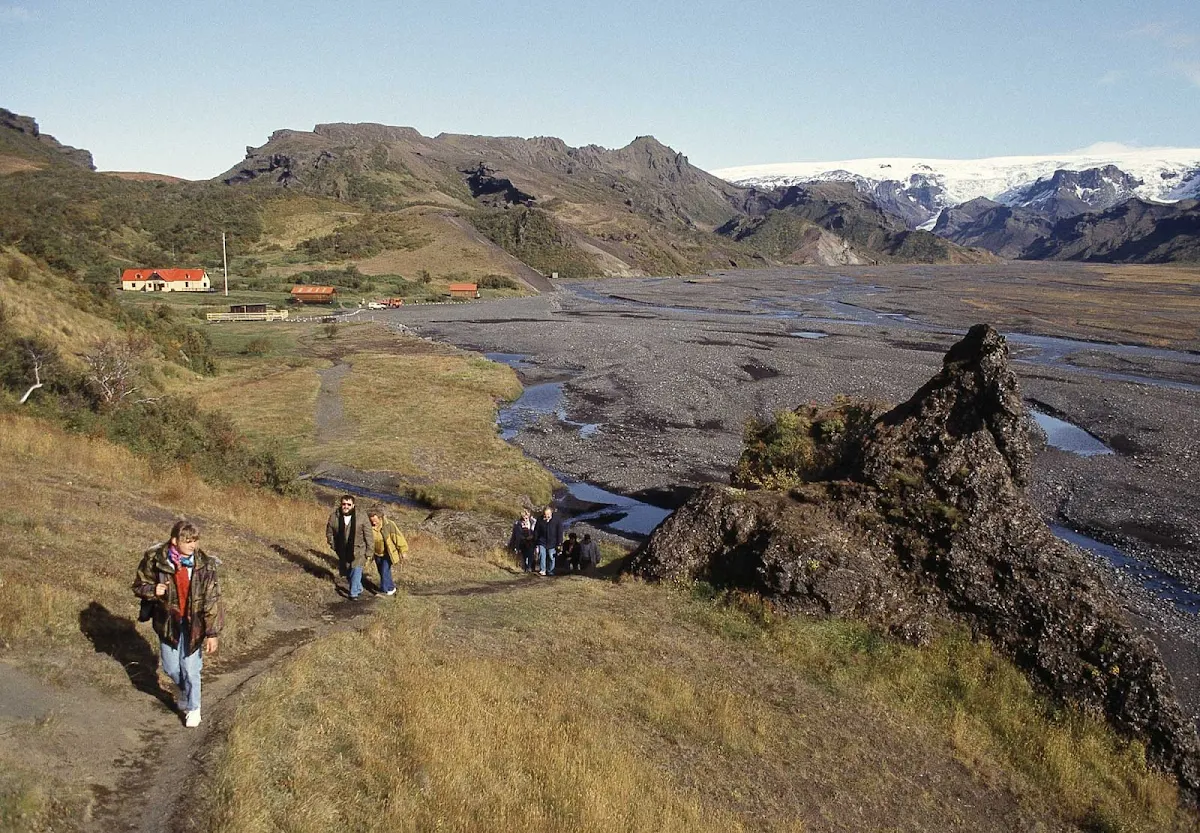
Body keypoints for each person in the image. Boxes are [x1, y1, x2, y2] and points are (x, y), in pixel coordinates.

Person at [132, 520, 223, 728]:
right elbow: (139, 585)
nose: (193, 545)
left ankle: (194, 708)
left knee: (191, 669)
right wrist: (153, 590)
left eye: (195, 541)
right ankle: (184, 690)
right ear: (175, 541)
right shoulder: (156, 560)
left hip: (195, 623)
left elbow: (212, 600)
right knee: (171, 667)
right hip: (167, 622)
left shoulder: (205, 565)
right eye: (188, 541)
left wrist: (211, 632)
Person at [325, 494, 372, 600]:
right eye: (344, 504)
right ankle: (358, 587)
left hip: (359, 549)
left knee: (356, 569)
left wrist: (369, 551)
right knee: (348, 572)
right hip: (342, 550)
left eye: (348, 504)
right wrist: (333, 544)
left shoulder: (361, 516)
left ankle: (353, 593)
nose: (346, 506)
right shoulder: (334, 516)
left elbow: (368, 534)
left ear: (353, 505)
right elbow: (329, 532)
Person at [366, 507, 408, 596]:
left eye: (375, 520)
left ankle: (384, 591)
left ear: (380, 518)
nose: (373, 523)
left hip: (388, 553)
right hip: (377, 553)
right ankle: (391, 588)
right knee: (381, 571)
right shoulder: (368, 526)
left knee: (385, 571)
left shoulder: (389, 525)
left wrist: (403, 550)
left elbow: (398, 537)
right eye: (371, 520)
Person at [535, 505, 563, 576]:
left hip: (553, 542)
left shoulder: (557, 520)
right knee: (542, 554)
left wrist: (559, 543)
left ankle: (550, 570)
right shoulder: (540, 519)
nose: (546, 515)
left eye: (548, 514)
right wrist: (536, 541)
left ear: (551, 513)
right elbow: (536, 531)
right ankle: (543, 570)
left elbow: (560, 532)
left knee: (551, 556)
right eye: (545, 514)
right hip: (542, 541)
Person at [508, 508, 537, 572]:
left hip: (531, 541)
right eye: (523, 517)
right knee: (524, 555)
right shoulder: (517, 524)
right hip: (522, 541)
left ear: (528, 515)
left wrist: (533, 536)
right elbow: (514, 534)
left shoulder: (533, 522)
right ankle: (525, 567)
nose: (525, 519)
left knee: (531, 554)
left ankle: (529, 567)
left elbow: (537, 531)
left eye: (526, 517)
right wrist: (512, 543)